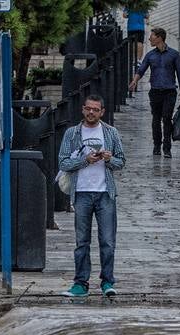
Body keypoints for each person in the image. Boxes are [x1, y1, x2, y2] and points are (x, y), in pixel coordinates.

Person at [57, 95, 126, 298]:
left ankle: (107, 282)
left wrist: (109, 158)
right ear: (82, 110)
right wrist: (84, 160)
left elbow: (121, 162)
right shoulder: (72, 134)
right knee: (82, 241)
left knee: (107, 241)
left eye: (95, 109)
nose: (91, 113)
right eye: (88, 109)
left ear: (102, 112)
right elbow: (63, 163)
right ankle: (80, 283)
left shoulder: (110, 133)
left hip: (105, 193)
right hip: (81, 193)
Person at [128, 27, 180, 157]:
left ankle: (167, 148)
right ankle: (156, 145)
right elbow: (141, 70)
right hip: (155, 91)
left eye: (152, 36)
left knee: (167, 118)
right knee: (156, 119)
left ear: (160, 37)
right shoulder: (150, 55)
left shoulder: (174, 54)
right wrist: (134, 81)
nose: (150, 38)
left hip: (169, 92)